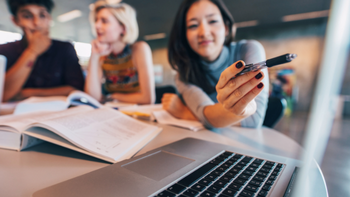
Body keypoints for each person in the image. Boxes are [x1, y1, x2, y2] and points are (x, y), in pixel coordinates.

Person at [162, 0, 269, 129]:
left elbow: (253, 119)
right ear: (185, 36)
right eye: (193, 25)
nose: (204, 32)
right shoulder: (184, 73)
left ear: (226, 28)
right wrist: (207, 115)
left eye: (212, 21)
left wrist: (186, 113)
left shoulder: (248, 50)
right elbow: (206, 111)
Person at [0, 0, 85, 102]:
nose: (36, 23)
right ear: (15, 20)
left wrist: (27, 93)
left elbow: (76, 89)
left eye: (42, 15)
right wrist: (32, 51)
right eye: (27, 16)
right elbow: (4, 94)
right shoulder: (4, 51)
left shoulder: (65, 49)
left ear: (49, 18)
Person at [85, 0, 155, 104]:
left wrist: (113, 96)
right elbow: (92, 98)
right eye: (96, 20)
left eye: (104, 21)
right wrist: (94, 56)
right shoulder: (101, 55)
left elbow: (147, 99)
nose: (97, 25)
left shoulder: (138, 49)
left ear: (123, 28)